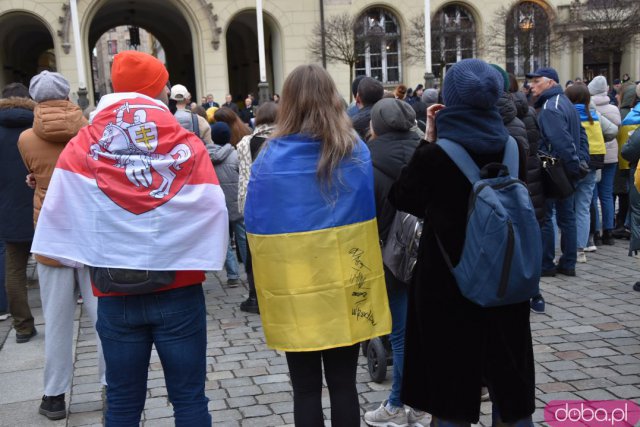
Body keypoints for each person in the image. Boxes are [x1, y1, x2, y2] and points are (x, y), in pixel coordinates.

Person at [30, 50, 229, 426]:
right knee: (189, 399)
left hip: (114, 290)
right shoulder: (185, 141)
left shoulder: (83, 144)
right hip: (179, 289)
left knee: (122, 403)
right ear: (155, 89)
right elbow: (212, 207)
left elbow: (65, 207)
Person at [389, 58, 535, 426]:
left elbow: (402, 198)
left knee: (451, 398)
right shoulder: (513, 146)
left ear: (451, 100)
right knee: (510, 391)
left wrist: (429, 139)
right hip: (505, 283)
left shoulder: (437, 155)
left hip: (448, 288)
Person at [244, 64, 391, 427]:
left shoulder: (270, 158)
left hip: (295, 288)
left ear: (288, 102)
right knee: (344, 384)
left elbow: (255, 224)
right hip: (344, 283)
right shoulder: (354, 150)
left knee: (305, 389)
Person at [17, 71, 106, 420]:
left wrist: (37, 181)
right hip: (90, 231)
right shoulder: (91, 132)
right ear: (69, 95)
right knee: (104, 319)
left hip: (52, 233)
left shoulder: (25, 138)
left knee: (56, 319)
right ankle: (111, 385)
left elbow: (39, 172)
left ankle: (54, 396)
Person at [362, 98, 428, 427]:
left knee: (400, 335)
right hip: (428, 253)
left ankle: (401, 404)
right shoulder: (426, 151)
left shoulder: (367, 160)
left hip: (389, 257)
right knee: (419, 331)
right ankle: (410, 402)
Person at [527, 67, 588, 277]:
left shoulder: (551, 107)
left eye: (536, 81)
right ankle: (568, 262)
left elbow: (563, 142)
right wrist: (580, 163)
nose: (531, 85)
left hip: (555, 170)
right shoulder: (564, 102)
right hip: (565, 169)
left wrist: (574, 167)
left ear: (550, 83)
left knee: (547, 217)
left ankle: (547, 264)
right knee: (567, 217)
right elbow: (581, 136)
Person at [0, 82, 36, 341]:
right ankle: (62, 318)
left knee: (14, 269)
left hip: (8, 207)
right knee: (55, 265)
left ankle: (23, 326)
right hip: (42, 203)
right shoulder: (38, 125)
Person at [565, 83, 616, 264]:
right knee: (584, 207)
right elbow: (613, 130)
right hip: (593, 163)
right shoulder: (594, 115)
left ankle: (568, 248)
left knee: (567, 209)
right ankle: (581, 249)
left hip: (572, 165)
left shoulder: (567, 115)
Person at [236, 101, 278, 314]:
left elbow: (243, 176)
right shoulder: (284, 139)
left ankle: (255, 296)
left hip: (254, 204)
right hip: (279, 204)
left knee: (254, 252)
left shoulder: (245, 142)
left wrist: (242, 206)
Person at [208, 121, 244, 288]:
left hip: (217, 205)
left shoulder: (206, 157)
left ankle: (232, 275)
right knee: (242, 238)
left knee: (225, 241)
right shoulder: (236, 155)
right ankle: (249, 269)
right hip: (236, 204)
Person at [589, 76, 622, 246]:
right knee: (607, 194)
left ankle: (595, 232)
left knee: (593, 194)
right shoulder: (613, 108)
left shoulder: (590, 106)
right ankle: (608, 231)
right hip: (611, 156)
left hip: (596, 154)